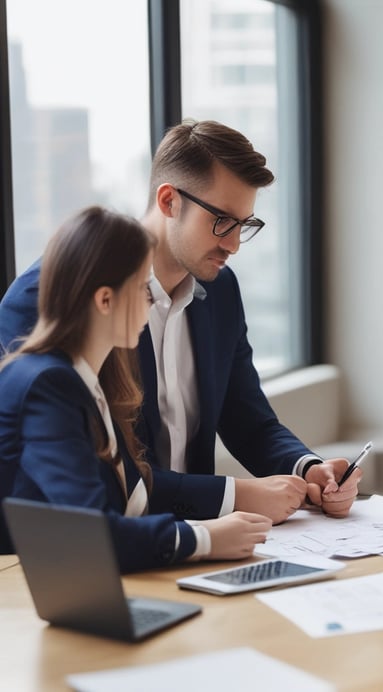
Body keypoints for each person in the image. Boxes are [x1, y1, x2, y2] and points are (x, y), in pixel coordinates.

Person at [0, 119, 361, 524]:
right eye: (222, 220)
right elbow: (101, 474)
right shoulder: (48, 297)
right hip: (99, 550)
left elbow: (249, 420)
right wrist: (234, 495)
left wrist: (308, 469)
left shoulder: (221, 289)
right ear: (169, 201)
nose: (234, 244)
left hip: (205, 543)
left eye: (245, 225)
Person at [0, 206, 272, 572]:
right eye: (143, 288)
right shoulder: (50, 384)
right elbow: (91, 534)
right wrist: (205, 539)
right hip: (20, 595)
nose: (152, 301)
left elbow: (129, 501)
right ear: (105, 300)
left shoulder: (88, 379)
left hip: (67, 583)